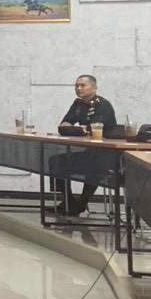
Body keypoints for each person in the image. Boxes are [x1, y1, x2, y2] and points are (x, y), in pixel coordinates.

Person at [52, 74, 119, 217]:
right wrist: (81, 129)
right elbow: (63, 127)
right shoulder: (78, 104)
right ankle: (69, 202)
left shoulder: (102, 105)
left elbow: (94, 129)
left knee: (94, 166)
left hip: (106, 155)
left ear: (94, 88)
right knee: (56, 161)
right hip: (90, 152)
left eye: (83, 85)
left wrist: (78, 129)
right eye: (76, 85)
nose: (78, 88)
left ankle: (81, 204)